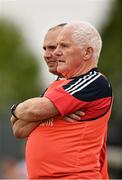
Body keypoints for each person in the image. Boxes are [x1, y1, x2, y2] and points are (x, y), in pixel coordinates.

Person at [10, 21, 113, 179]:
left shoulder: (93, 81)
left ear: (87, 53)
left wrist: (20, 110)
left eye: (62, 46)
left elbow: (32, 111)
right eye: (49, 48)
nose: (53, 53)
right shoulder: (57, 87)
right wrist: (53, 111)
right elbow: (19, 129)